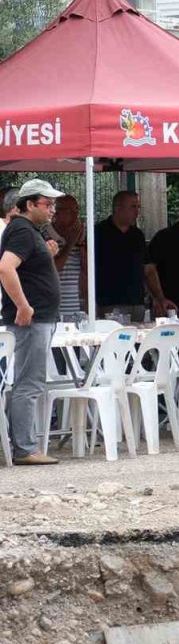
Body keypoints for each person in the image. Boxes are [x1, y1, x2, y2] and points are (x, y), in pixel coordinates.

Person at [0, 180, 63, 465]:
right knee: (29, 383)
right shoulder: (23, 230)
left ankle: (23, 444)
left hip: (40, 317)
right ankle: (24, 448)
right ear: (29, 204)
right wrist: (23, 306)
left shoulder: (28, 231)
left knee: (29, 381)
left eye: (53, 204)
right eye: (46, 204)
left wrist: (45, 255)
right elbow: (5, 267)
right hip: (33, 319)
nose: (52, 210)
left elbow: (23, 267)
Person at [95, 191, 147, 321]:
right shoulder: (98, 232)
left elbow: (147, 268)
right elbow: (87, 269)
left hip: (137, 302)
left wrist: (158, 297)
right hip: (109, 304)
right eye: (133, 206)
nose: (137, 211)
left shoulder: (138, 235)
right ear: (118, 208)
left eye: (138, 207)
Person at [51, 194, 86, 317]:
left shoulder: (79, 237)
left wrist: (81, 244)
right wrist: (70, 244)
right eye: (69, 210)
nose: (75, 214)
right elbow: (54, 269)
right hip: (51, 310)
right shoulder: (45, 235)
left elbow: (87, 270)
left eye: (76, 210)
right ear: (56, 212)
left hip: (73, 309)